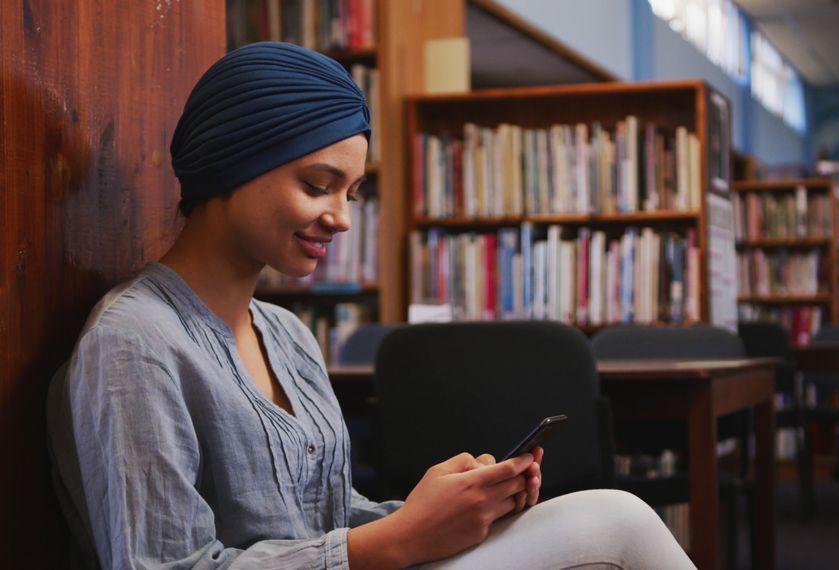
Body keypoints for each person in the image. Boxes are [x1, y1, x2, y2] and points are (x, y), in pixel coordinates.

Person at [46, 42, 695, 570]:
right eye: (317, 185)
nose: (343, 218)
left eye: (353, 191)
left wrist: (439, 511)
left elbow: (323, 522)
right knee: (617, 525)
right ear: (230, 163)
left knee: (610, 520)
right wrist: (400, 540)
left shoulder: (287, 335)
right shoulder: (133, 343)